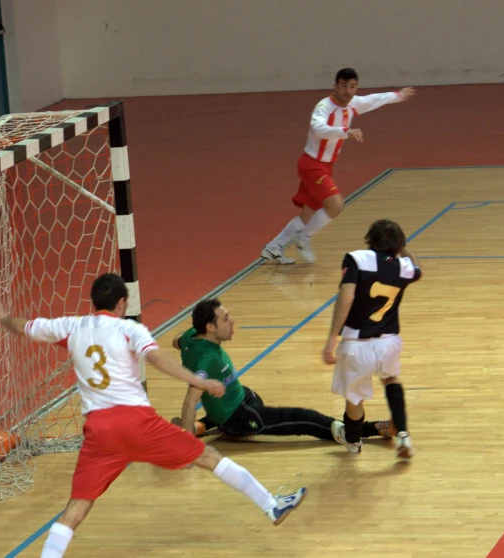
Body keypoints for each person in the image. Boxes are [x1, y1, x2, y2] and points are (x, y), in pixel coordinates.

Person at [0, 273, 307, 558]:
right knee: (208, 457)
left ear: (95, 302)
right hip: (136, 423)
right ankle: (271, 505)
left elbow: (23, 326)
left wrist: (3, 317)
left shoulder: (71, 326)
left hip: (99, 434)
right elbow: (156, 359)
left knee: (76, 508)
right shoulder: (130, 329)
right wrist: (199, 381)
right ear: (121, 303)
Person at [170, 299, 394, 443]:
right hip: (237, 417)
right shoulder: (206, 361)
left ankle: (199, 426)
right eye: (226, 319)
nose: (232, 321)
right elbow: (191, 400)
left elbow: (175, 341)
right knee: (302, 419)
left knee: (254, 397)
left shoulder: (191, 336)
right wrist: (188, 450)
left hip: (240, 397)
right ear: (210, 327)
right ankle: (369, 429)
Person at [261, 68, 416, 264]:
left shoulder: (353, 104)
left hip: (325, 166)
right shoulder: (324, 107)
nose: (348, 91)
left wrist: (398, 96)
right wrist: (346, 131)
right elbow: (318, 129)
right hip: (312, 165)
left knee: (308, 213)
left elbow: (374, 99)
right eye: (344, 86)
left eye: (352, 87)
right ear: (335, 86)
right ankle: (304, 236)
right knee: (336, 205)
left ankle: (273, 248)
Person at [322, 219, 422, 459]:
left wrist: (331, 339)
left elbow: (346, 298)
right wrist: (403, 246)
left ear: (370, 238)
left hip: (357, 344)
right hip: (389, 341)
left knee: (354, 398)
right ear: (397, 245)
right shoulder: (402, 266)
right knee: (391, 379)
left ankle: (354, 441)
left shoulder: (357, 259)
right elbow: (417, 267)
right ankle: (404, 435)